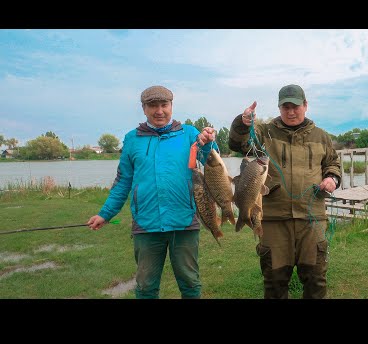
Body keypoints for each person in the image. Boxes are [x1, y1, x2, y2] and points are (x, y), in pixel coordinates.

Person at [87, 85, 218, 299]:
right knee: (146, 287)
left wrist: (208, 142)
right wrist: (105, 214)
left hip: (183, 221)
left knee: (190, 283)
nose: (159, 111)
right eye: (153, 105)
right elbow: (123, 181)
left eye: (164, 105)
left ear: (171, 106)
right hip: (146, 224)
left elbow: (210, 161)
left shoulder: (189, 133)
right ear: (144, 108)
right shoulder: (132, 139)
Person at [228, 84, 342, 299]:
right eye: (285, 107)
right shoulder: (264, 132)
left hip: (312, 218)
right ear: (279, 107)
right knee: (274, 280)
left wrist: (331, 178)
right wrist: (242, 124)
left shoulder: (321, 136)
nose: (291, 112)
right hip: (272, 219)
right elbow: (237, 143)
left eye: (295, 106)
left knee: (315, 278)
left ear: (305, 105)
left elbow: (333, 164)